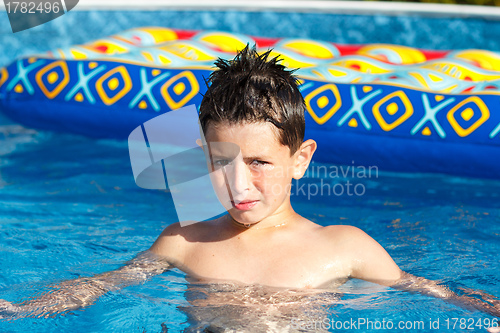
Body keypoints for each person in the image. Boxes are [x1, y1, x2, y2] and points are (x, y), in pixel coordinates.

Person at [1, 46, 499, 327]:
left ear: (300, 160)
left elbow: (434, 295)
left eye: (260, 161)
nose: (239, 181)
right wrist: (21, 309)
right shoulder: (182, 241)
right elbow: (97, 287)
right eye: (220, 162)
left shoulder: (343, 247)